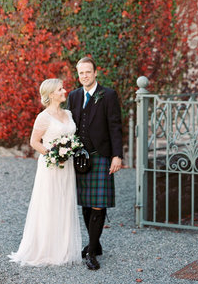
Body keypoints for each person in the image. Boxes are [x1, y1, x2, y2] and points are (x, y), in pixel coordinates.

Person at [8, 79, 82, 266]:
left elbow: (72, 137)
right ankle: (46, 249)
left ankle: (63, 249)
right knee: (50, 203)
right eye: (60, 89)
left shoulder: (68, 113)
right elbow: (34, 142)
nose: (65, 91)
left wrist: (68, 152)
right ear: (51, 95)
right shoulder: (43, 117)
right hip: (51, 166)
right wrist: (54, 155)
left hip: (67, 166)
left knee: (65, 202)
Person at [67, 57, 123, 271]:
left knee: (98, 203)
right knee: (86, 203)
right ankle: (95, 243)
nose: (84, 76)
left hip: (101, 156)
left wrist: (117, 155)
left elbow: (115, 126)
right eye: (81, 73)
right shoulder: (73, 96)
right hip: (80, 158)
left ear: (95, 72)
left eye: (88, 72)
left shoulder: (108, 95)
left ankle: (91, 252)